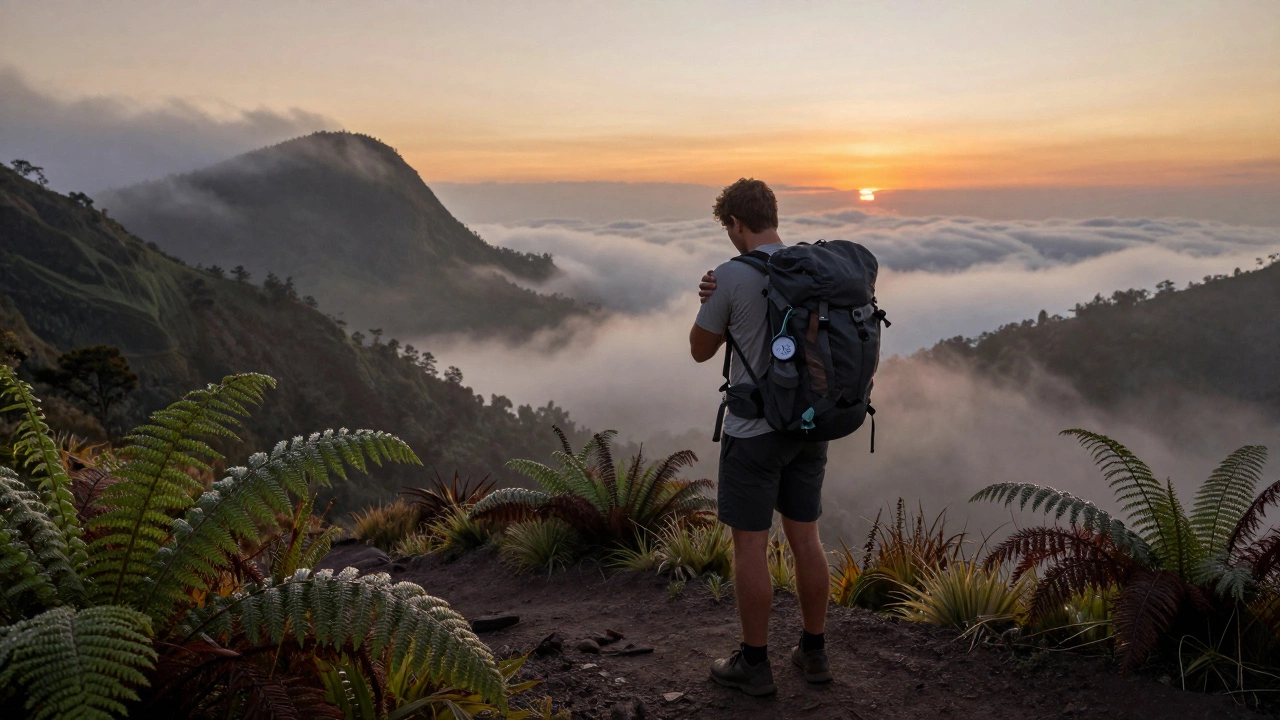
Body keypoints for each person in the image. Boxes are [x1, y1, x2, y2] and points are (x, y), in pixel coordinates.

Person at [689, 178, 832, 696]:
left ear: (735, 224)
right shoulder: (812, 268)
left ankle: (754, 664)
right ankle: (813, 655)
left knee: (750, 547)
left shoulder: (730, 275)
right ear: (772, 214)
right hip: (810, 425)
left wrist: (717, 305)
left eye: (728, 226)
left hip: (752, 431)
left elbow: (699, 350)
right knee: (806, 539)